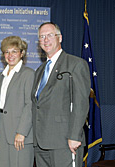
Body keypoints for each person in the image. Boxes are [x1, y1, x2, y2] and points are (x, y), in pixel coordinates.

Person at [31, 22, 91, 167]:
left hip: (64, 141)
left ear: (60, 38)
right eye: (42, 37)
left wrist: (75, 136)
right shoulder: (39, 70)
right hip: (40, 143)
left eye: (50, 35)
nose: (45, 40)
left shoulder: (76, 64)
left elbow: (81, 103)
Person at [0, 36, 35, 167]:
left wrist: (21, 132)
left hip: (21, 134)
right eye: (7, 52)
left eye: (14, 51)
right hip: (2, 132)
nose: (10, 55)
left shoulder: (28, 74)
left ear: (22, 54)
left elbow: (30, 104)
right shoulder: (1, 77)